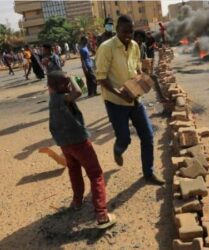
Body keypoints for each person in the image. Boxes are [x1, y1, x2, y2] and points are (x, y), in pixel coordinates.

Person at [95, 15, 165, 185]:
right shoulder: (106, 48)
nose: (128, 35)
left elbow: (137, 68)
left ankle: (148, 173)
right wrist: (120, 93)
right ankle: (118, 149)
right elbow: (101, 78)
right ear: (117, 30)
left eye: (131, 31)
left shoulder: (134, 46)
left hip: (135, 99)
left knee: (147, 136)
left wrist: (144, 78)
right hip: (115, 102)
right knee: (125, 138)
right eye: (124, 31)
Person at [47, 70, 116, 229]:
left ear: (50, 87)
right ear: (64, 85)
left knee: (74, 170)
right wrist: (70, 77)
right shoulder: (61, 98)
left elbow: (72, 91)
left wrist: (65, 82)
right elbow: (78, 91)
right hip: (79, 142)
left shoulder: (53, 98)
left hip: (65, 144)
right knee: (96, 174)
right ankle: (101, 214)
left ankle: (77, 202)